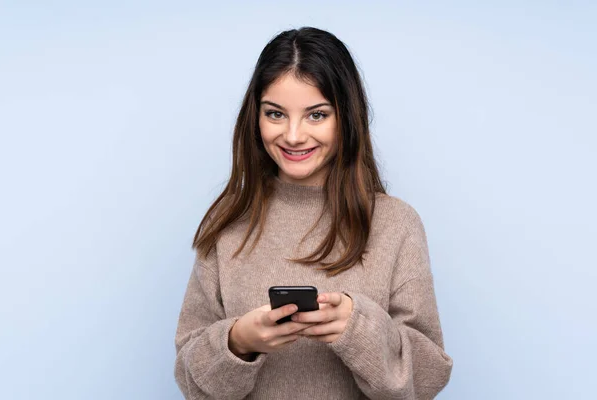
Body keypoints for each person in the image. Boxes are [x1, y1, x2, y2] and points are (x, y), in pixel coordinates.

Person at [174, 26, 453, 400]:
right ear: (255, 118)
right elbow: (189, 378)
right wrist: (238, 342)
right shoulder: (227, 224)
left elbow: (428, 377)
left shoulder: (396, 224)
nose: (293, 135)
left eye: (316, 115)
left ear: (346, 118)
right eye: (275, 114)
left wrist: (357, 328)